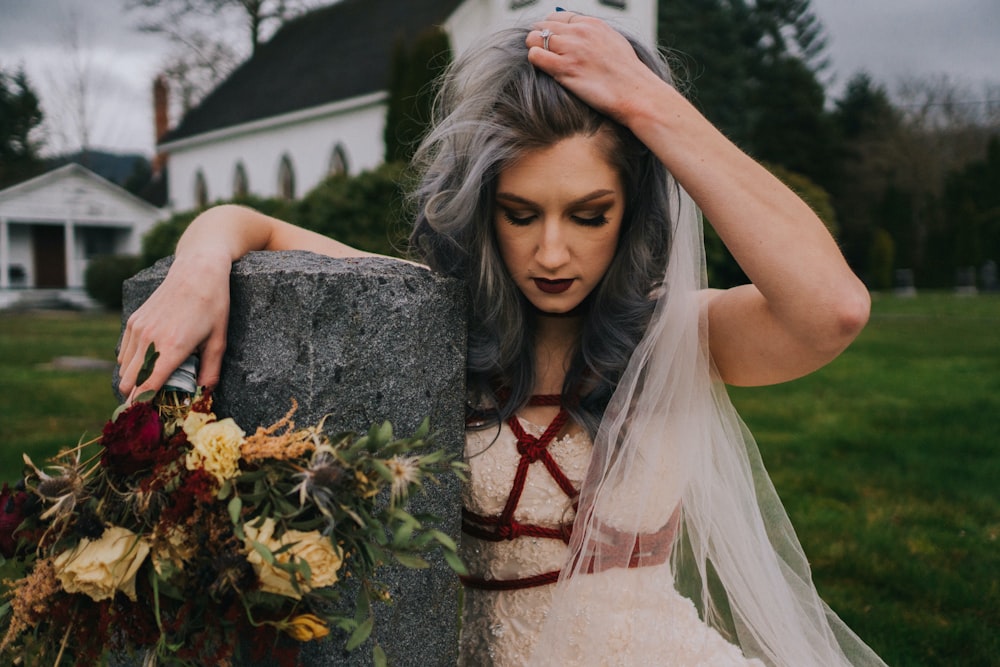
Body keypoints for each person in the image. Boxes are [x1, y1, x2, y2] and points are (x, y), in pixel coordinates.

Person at [118, 11, 888, 667]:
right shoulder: (428, 319)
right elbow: (251, 224)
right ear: (486, 210)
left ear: (631, 213)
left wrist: (647, 104)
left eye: (589, 214)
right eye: (523, 213)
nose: (552, 253)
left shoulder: (678, 336)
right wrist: (198, 262)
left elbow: (833, 310)